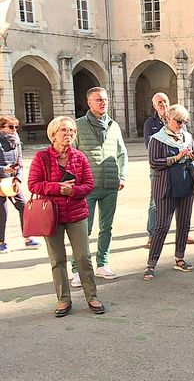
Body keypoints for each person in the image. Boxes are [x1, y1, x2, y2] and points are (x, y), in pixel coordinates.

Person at [28, 116, 105, 316]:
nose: (69, 134)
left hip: (76, 214)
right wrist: (57, 188)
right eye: (64, 130)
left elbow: (88, 184)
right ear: (53, 134)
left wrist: (73, 191)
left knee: (83, 257)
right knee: (57, 259)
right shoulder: (41, 157)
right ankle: (63, 299)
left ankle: (92, 296)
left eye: (71, 131)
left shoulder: (79, 157)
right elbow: (33, 184)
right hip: (51, 215)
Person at [70, 87, 128, 287]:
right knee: (83, 229)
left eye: (104, 99)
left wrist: (122, 176)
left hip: (110, 185)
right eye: (98, 100)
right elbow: (72, 156)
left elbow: (122, 153)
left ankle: (102, 264)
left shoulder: (114, 125)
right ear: (89, 103)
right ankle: (78, 270)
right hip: (87, 188)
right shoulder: (78, 126)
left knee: (107, 227)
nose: (102, 103)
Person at [143, 104, 194, 281]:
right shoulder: (157, 139)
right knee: (162, 226)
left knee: (184, 223)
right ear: (168, 119)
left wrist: (193, 155)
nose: (181, 125)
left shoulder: (187, 137)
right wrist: (176, 158)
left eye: (184, 122)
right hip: (166, 186)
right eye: (178, 121)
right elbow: (154, 162)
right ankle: (151, 264)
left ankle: (180, 258)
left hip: (186, 184)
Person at [143, 92, 194, 248]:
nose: (162, 104)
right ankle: (152, 234)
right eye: (159, 102)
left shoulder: (178, 119)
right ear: (154, 106)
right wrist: (173, 155)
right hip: (160, 169)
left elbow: (184, 140)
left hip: (179, 168)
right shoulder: (150, 123)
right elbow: (150, 146)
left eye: (164, 101)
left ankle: (183, 233)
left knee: (182, 200)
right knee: (155, 202)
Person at [0, 115, 40, 253]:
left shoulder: (16, 141)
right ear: (2, 128)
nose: (14, 130)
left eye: (16, 127)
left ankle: (28, 237)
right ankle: (1, 242)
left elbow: (20, 162)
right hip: (0, 181)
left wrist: (18, 178)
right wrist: (3, 169)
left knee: (24, 206)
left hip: (12, 182)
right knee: (2, 212)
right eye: (11, 127)